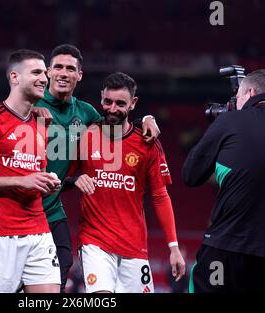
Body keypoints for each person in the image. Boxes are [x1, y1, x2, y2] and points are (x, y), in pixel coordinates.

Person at [33, 44, 162, 292]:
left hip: (52, 211)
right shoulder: (29, 106)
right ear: (48, 71)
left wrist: (146, 119)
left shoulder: (86, 112)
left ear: (79, 75)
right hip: (18, 209)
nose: (63, 73)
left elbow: (116, 124)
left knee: (57, 278)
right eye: (58, 67)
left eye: (70, 68)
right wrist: (29, 109)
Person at [70, 72, 185, 293]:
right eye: (108, 101)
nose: (112, 109)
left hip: (135, 247)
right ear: (101, 97)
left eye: (120, 103)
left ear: (133, 103)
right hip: (95, 242)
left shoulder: (147, 142)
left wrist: (174, 247)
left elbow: (160, 195)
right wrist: (74, 178)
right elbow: (62, 175)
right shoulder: (84, 136)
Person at [182, 69, 265, 292]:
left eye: (238, 97)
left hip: (226, 251)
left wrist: (219, 128)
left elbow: (190, 176)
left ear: (250, 93)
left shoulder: (230, 120)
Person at [0, 49, 62, 293]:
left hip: (39, 231)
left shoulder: (41, 124)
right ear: (14, 78)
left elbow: (34, 172)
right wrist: (22, 181)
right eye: (36, 72)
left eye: (45, 73)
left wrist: (46, 183)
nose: (44, 79)